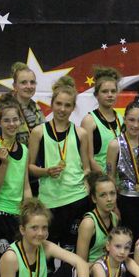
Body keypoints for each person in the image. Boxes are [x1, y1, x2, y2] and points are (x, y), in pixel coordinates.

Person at [28, 76, 90, 253]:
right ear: (52, 104)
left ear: (73, 107)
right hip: (49, 201)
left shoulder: (81, 133)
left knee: (72, 251)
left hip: (76, 199)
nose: (62, 109)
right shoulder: (38, 132)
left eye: (67, 105)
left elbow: (86, 167)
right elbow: (30, 168)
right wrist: (46, 171)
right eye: (59, 104)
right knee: (47, 252)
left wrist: (86, 185)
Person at [0, 93, 32, 259]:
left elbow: (25, 186)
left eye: (15, 120)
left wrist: (29, 211)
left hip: (16, 214)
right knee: (5, 261)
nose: (11, 124)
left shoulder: (24, 150)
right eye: (6, 120)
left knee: (20, 261)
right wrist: (4, 164)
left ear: (20, 121)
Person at [107, 101, 139, 240]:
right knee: (129, 239)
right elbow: (110, 177)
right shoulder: (115, 145)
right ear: (124, 119)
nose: (135, 125)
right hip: (125, 199)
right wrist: (114, 206)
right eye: (131, 120)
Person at [0, 62, 45, 147]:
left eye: (32, 82)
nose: (29, 86)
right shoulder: (5, 109)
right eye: (24, 82)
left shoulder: (37, 109)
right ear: (15, 86)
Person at [81, 66, 123, 176]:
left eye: (113, 91)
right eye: (105, 91)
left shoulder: (121, 118)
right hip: (99, 178)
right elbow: (88, 158)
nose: (110, 95)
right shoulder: (89, 120)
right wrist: (106, 179)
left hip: (120, 178)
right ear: (96, 95)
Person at [75, 174, 120, 264]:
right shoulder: (88, 223)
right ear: (94, 198)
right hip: (91, 268)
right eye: (103, 195)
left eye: (112, 193)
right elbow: (80, 263)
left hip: (109, 266)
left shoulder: (115, 218)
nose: (109, 199)